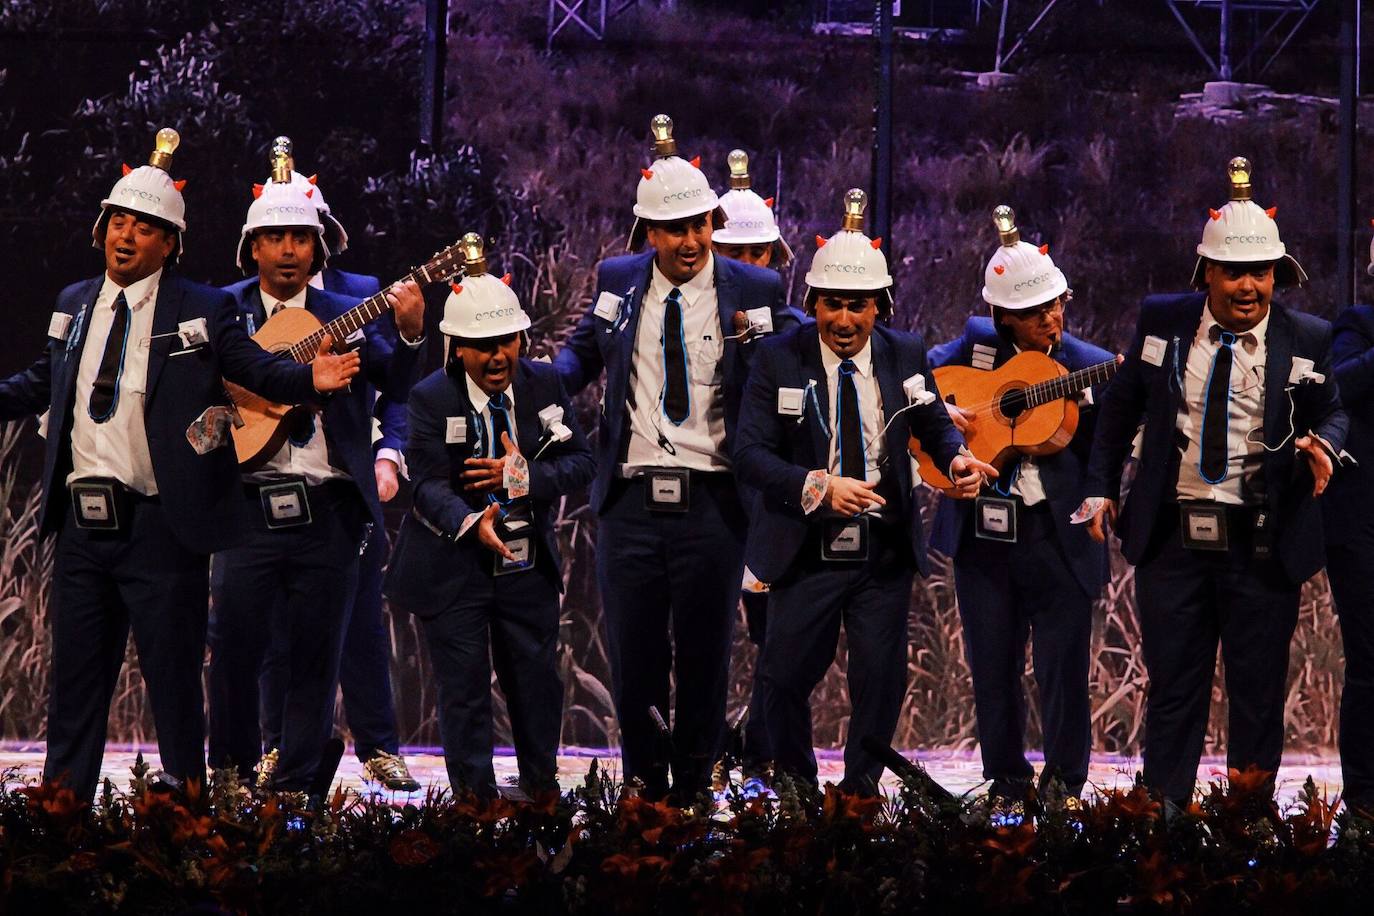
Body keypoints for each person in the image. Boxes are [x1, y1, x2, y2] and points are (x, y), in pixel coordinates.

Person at [0, 129, 360, 800]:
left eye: (143, 226)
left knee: (173, 692)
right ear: (100, 229)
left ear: (171, 243)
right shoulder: (73, 304)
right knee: (75, 692)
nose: (125, 236)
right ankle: (61, 821)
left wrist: (310, 381)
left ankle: (188, 828)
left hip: (161, 531)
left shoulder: (204, 307)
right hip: (82, 534)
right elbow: (36, 383)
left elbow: (254, 368)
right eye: (117, 222)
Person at [1078, 157, 1347, 806]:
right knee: (1175, 687)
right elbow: (1120, 407)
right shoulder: (1163, 322)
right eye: (1234, 272)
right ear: (1208, 274)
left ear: (1277, 275)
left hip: (1262, 542)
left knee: (1256, 692)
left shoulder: (1306, 337)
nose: (1248, 287)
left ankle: (1246, 826)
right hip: (1174, 541)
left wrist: (1325, 447)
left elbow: (1333, 409)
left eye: (1261, 273)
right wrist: (1100, 487)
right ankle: (1162, 824)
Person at [554, 115, 796, 800]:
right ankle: (641, 787)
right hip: (629, 501)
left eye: (700, 226)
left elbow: (790, 361)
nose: (690, 242)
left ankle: (692, 790)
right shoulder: (618, 279)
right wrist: (523, 382)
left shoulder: (755, 291)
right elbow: (579, 355)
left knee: (704, 657)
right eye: (674, 229)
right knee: (635, 658)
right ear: (648, 233)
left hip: (714, 503)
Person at [733, 188, 994, 794]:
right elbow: (749, 455)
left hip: (880, 552)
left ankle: (859, 793)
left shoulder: (904, 351)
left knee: (880, 679)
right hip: (804, 547)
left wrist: (955, 461)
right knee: (782, 677)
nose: (843, 321)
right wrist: (817, 486)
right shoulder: (778, 359)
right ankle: (797, 790)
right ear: (813, 302)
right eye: (831, 306)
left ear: (879, 306)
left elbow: (931, 422)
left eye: (857, 306)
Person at [207, 175, 424, 792]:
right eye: (274, 237)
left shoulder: (344, 315)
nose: (287, 250)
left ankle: (299, 787)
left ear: (317, 248)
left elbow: (396, 380)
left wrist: (410, 333)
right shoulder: (224, 310)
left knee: (316, 654)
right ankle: (229, 771)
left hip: (329, 508)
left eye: (300, 238)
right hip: (246, 505)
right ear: (253, 247)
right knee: (235, 648)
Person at [384, 234, 594, 797]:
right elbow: (424, 484)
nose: (498, 355)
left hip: (525, 566)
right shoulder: (431, 397)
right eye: (483, 344)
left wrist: (519, 477)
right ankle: (474, 805)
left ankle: (541, 792)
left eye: (507, 341)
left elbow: (582, 464)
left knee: (536, 685)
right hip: (454, 564)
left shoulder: (543, 384)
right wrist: (470, 522)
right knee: (465, 690)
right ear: (455, 346)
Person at [927, 205, 1113, 806]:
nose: (1051, 318)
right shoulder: (974, 348)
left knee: (1062, 671)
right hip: (984, 535)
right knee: (992, 665)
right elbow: (922, 377)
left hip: (1055, 535)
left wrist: (1100, 491)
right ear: (1001, 314)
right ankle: (1005, 780)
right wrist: (945, 417)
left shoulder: (1088, 365)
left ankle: (1064, 786)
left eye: (1057, 305)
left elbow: (1109, 452)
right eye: (1034, 312)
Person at [714, 147, 799, 777]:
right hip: (706, 500)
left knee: (776, 636)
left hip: (769, 504)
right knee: (702, 635)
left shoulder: (801, 330)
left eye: (758, 254)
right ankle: (705, 751)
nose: (747, 267)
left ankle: (765, 754)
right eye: (733, 254)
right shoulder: (676, 323)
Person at [1319, 232, 1374, 814]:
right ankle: (1363, 798)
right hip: (1362, 523)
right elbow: (1338, 386)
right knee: (1370, 660)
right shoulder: (1355, 324)